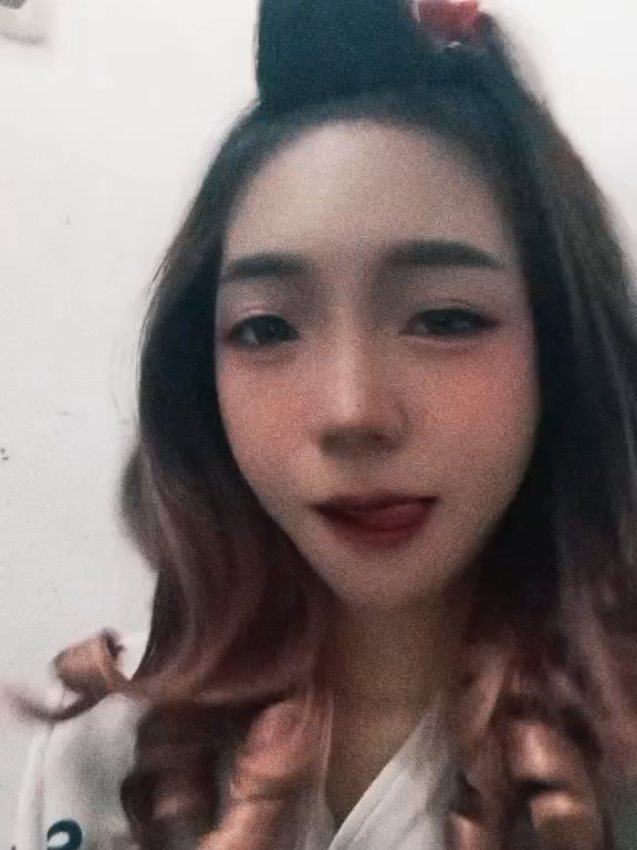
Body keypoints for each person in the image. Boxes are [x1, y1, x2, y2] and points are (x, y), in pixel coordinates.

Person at [11, 0, 637, 847]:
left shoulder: (617, 758)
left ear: (558, 351)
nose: (352, 414)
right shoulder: (107, 738)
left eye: (445, 319)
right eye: (266, 328)